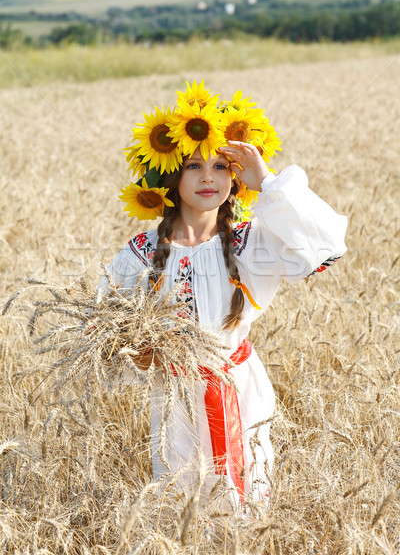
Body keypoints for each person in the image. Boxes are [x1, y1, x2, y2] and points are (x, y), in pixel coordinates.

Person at [98, 81, 347, 513]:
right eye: (194, 165)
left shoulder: (253, 242)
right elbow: (103, 323)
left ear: (235, 176)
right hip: (174, 395)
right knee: (181, 497)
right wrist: (134, 352)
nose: (209, 177)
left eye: (221, 165)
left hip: (238, 387)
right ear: (171, 176)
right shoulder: (141, 252)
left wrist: (266, 182)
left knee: (247, 492)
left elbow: (325, 247)